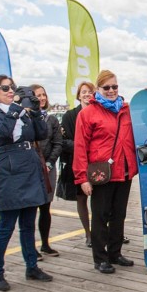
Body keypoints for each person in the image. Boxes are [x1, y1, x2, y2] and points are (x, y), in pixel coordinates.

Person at [0, 75, 53, 291]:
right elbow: (3, 132)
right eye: (5, 88)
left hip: (29, 168)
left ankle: (31, 266)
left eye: (12, 87)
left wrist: (35, 111)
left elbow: (41, 134)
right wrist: (16, 109)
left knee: (28, 224)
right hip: (9, 170)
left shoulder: (23, 113)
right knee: (6, 225)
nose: (10, 90)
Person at [74, 70, 138, 273]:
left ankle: (115, 253)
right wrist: (82, 177)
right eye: (107, 87)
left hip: (124, 171)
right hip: (102, 173)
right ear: (98, 89)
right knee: (101, 216)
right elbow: (80, 147)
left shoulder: (127, 110)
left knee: (119, 215)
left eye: (115, 87)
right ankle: (100, 258)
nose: (111, 91)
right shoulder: (87, 114)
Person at [58, 81, 95, 247]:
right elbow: (63, 142)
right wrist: (81, 147)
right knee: (81, 199)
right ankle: (88, 234)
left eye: (90, 92)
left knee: (101, 201)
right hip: (78, 163)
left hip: (98, 164)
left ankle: (103, 232)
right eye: (84, 92)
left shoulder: (99, 112)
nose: (87, 94)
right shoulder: (69, 116)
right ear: (79, 95)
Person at [29, 84, 63, 259]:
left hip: (48, 168)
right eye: (37, 96)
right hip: (31, 170)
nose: (41, 98)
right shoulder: (26, 119)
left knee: (45, 208)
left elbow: (58, 143)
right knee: (30, 210)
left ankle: (45, 244)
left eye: (43, 95)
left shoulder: (52, 120)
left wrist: (50, 162)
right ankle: (31, 248)